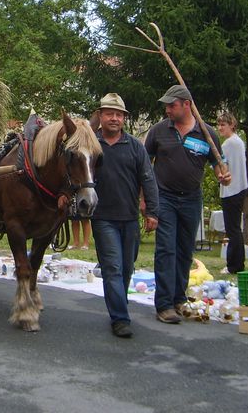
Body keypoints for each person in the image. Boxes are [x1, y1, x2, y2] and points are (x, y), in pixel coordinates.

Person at [145, 85, 230, 324]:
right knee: (166, 249)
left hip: (192, 199)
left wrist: (224, 175)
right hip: (165, 197)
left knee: (184, 250)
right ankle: (163, 305)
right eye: (166, 105)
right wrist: (144, 198)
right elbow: (144, 164)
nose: (167, 109)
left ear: (186, 104)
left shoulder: (207, 133)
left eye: (172, 105)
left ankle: (178, 298)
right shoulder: (159, 131)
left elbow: (218, 164)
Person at [91, 93, 159, 338]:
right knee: (113, 268)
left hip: (129, 218)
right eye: (109, 113)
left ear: (124, 119)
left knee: (127, 268)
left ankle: (120, 306)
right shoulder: (91, 144)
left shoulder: (135, 147)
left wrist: (152, 211)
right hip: (102, 217)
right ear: (100, 116)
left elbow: (148, 180)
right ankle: (120, 318)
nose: (114, 118)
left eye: (119, 114)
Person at [217, 112, 248, 274]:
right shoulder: (238, 142)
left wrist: (221, 174)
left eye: (223, 125)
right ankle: (238, 263)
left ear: (232, 125)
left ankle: (233, 265)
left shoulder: (229, 144)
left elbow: (223, 166)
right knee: (235, 228)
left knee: (233, 229)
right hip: (239, 188)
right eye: (219, 124)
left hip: (232, 189)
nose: (220, 128)